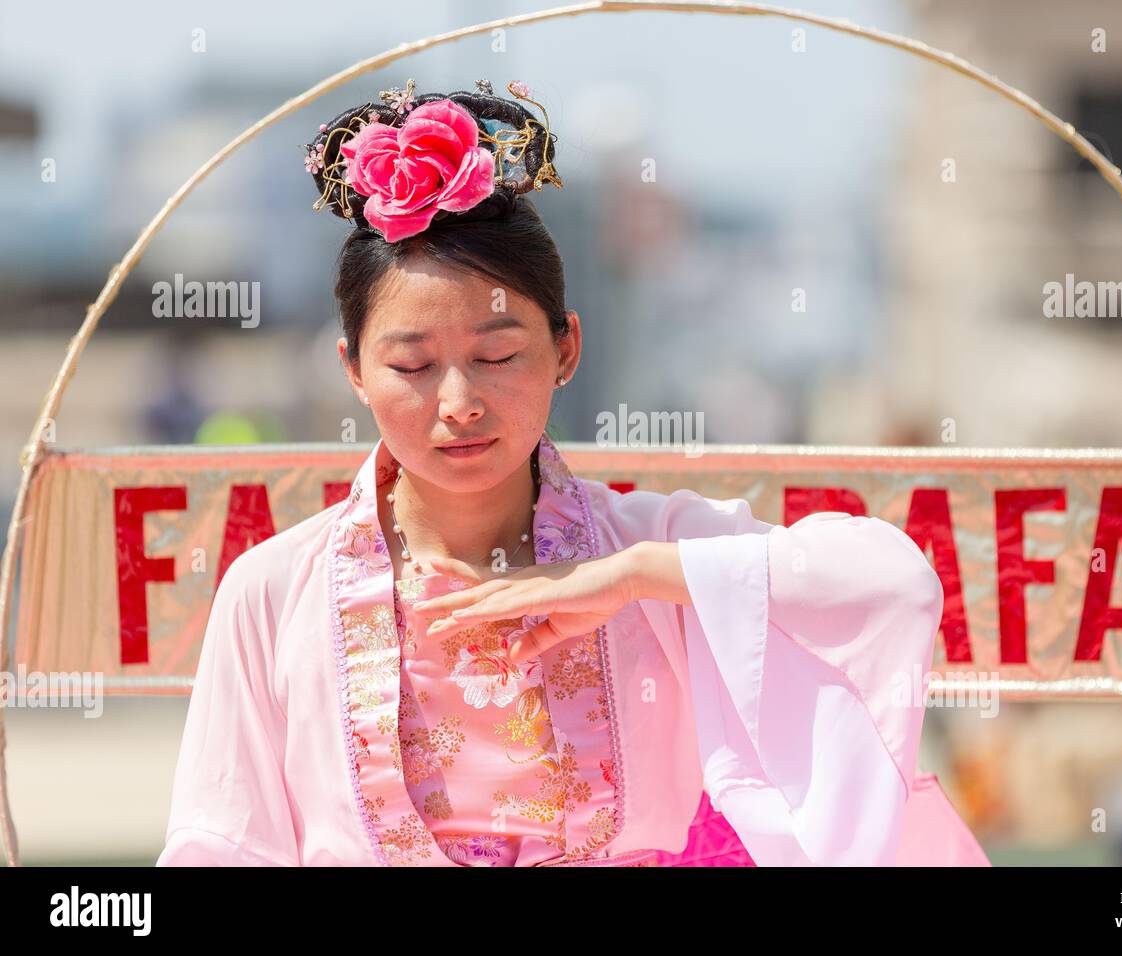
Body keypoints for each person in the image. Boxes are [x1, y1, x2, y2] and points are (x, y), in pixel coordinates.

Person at [156, 78, 957, 867]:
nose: (459, 402)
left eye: (498, 355)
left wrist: (636, 577)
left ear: (566, 348)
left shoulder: (647, 549)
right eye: (413, 364)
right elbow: (221, 844)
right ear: (355, 371)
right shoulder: (273, 591)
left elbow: (895, 585)